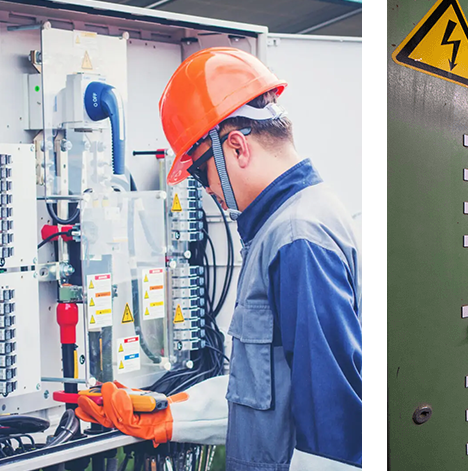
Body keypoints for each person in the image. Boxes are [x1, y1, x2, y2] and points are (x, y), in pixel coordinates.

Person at [75, 47, 363, 471]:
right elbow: (265, 397)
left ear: (237, 147)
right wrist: (168, 414)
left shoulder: (296, 236)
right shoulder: (283, 227)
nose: (205, 188)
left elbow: (330, 424)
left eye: (197, 171)